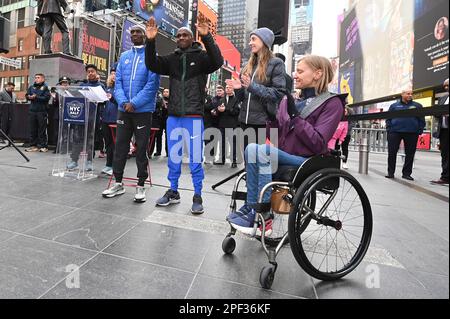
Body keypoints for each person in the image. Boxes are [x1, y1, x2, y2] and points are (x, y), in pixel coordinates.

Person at [227, 55, 346, 236]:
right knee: (251, 148)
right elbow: (279, 137)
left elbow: (318, 143)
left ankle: (264, 216)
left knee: (264, 151)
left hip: (308, 161)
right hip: (286, 155)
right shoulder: (292, 100)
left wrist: (295, 118)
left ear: (317, 74)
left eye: (300, 71)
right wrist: (272, 119)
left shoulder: (332, 103)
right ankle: (252, 209)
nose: (295, 75)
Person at [145, 16, 223, 214]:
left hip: (194, 116)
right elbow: (152, 64)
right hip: (173, 117)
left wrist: (207, 37)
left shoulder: (202, 57)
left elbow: (218, 61)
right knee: (174, 157)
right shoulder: (172, 59)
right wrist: (151, 41)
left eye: (185, 35)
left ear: (191, 38)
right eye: (178, 35)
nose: (181, 37)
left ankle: (197, 194)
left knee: (196, 158)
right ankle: (173, 191)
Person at [102, 24, 160, 203]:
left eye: (138, 32)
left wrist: (134, 103)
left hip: (142, 111)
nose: (135, 34)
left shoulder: (152, 57)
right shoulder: (124, 57)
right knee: (120, 147)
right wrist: (123, 102)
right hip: (124, 110)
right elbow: (117, 82)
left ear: (144, 35)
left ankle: (140, 185)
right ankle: (118, 183)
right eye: (132, 32)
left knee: (141, 148)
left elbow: (152, 86)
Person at [226, 27, 286, 154]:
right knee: (249, 161)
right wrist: (238, 89)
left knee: (262, 163)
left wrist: (251, 86)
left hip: (264, 124)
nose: (250, 43)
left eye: (253, 39)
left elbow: (278, 93)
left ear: (264, 41)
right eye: (250, 39)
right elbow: (242, 98)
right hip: (244, 122)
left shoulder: (276, 63)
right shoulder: (247, 66)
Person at [67, 64, 106, 171]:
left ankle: (89, 161)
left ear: (96, 72)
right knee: (77, 139)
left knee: (90, 140)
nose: (90, 73)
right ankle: (74, 161)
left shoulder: (100, 86)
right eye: (88, 71)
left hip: (93, 118)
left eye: (92, 71)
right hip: (80, 117)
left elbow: (103, 101)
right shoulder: (82, 86)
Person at [385, 89, 426, 181]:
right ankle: (390, 173)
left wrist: (419, 130)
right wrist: (389, 129)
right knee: (392, 153)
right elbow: (388, 118)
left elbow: (421, 119)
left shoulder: (417, 106)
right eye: (408, 94)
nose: (410, 95)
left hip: (412, 133)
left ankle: (406, 174)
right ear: (402, 95)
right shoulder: (394, 106)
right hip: (395, 132)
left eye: (411, 94)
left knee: (410, 154)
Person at [215, 84, 240, 168]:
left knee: (232, 143)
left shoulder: (237, 99)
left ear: (233, 89)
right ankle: (222, 160)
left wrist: (226, 109)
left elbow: (236, 111)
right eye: (226, 87)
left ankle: (234, 161)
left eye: (229, 87)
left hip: (232, 124)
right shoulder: (221, 99)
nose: (228, 89)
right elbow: (218, 111)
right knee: (222, 143)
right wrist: (217, 111)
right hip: (222, 123)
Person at [25, 73, 51, 153]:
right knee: (33, 129)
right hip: (32, 111)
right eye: (35, 77)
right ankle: (33, 145)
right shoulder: (31, 87)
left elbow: (46, 98)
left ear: (43, 79)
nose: (36, 79)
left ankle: (43, 146)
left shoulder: (45, 88)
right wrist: (28, 97)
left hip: (41, 111)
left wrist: (36, 97)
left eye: (38, 77)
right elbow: (26, 95)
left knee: (42, 129)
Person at [100, 68, 118, 176]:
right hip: (106, 119)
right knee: (108, 143)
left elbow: (120, 103)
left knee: (115, 144)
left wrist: (112, 99)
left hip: (116, 119)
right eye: (111, 74)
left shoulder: (121, 88)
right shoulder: (108, 88)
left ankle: (115, 167)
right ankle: (108, 165)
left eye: (115, 74)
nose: (113, 76)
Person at [431, 79, 449, 185]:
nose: (446, 88)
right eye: (445, 86)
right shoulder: (443, 98)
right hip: (444, 131)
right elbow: (437, 114)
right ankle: (445, 177)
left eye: (448, 85)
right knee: (445, 155)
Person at [51, 76, 71, 153]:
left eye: (66, 83)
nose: (64, 85)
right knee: (57, 132)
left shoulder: (72, 92)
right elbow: (54, 105)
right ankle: (57, 147)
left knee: (66, 132)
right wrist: (54, 98)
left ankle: (65, 147)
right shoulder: (57, 93)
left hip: (68, 115)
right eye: (63, 83)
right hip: (58, 115)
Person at [153, 88, 170, 157]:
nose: (165, 93)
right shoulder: (160, 99)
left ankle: (168, 152)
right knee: (158, 136)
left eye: (167, 92)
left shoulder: (171, 100)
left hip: (167, 120)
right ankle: (158, 151)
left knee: (167, 136)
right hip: (160, 119)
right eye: (164, 92)